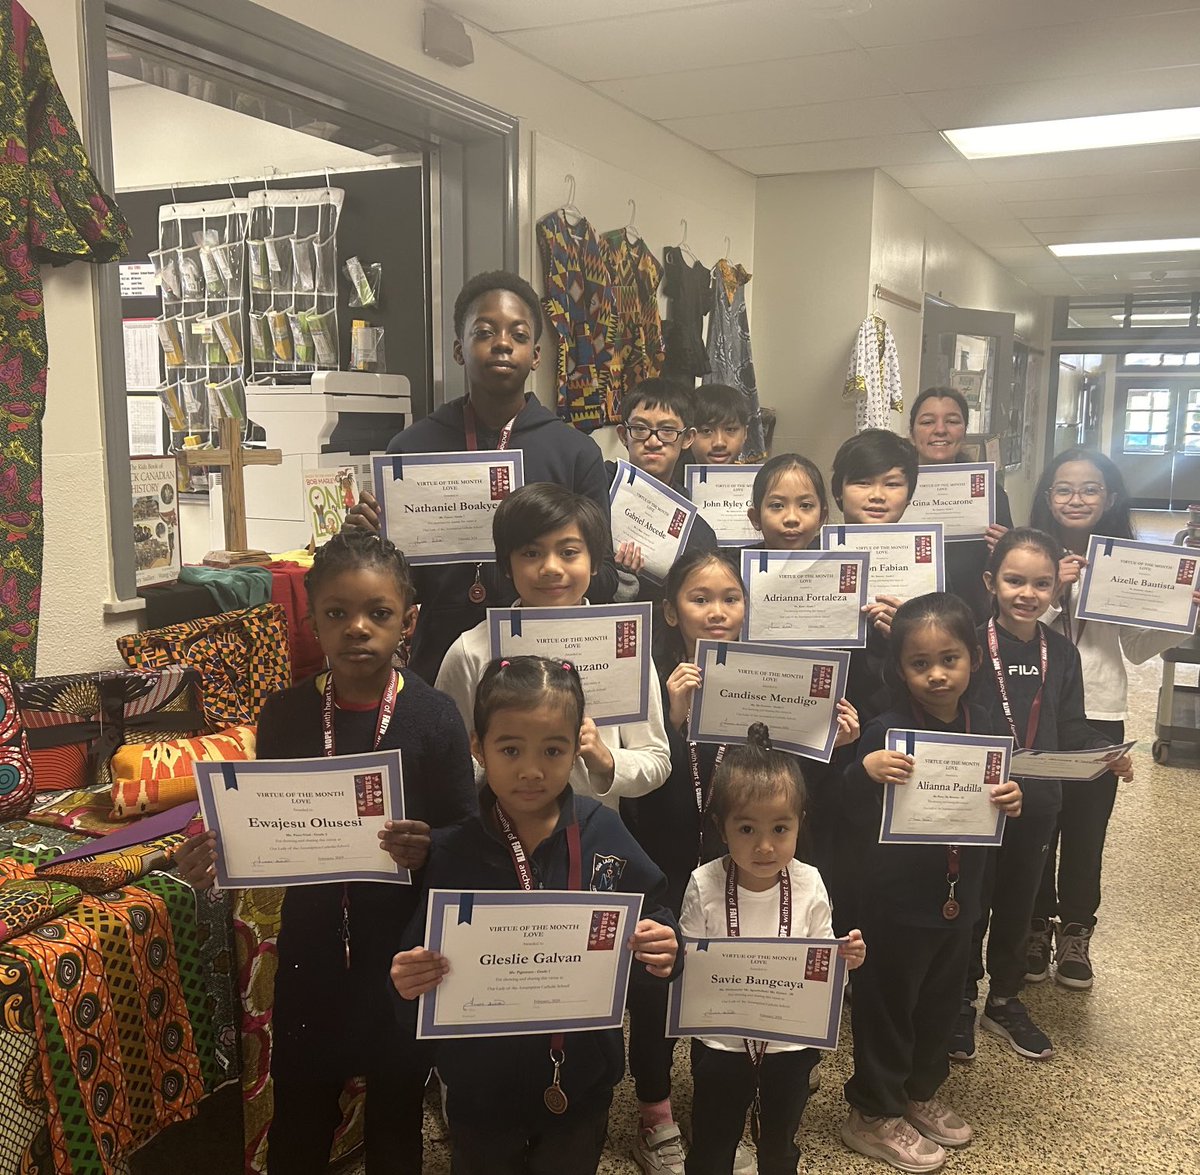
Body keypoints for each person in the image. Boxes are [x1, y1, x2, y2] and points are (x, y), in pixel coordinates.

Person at [174, 530, 477, 1175]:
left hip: (402, 954)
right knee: (302, 1115)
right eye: (336, 614)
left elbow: (467, 838)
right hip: (310, 953)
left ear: (409, 622)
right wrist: (222, 852)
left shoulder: (435, 717)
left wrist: (429, 846)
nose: (357, 629)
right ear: (311, 620)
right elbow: (273, 824)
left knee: (395, 1117)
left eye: (379, 613)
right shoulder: (283, 715)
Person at [389, 657, 681, 1175]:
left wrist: (665, 944)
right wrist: (407, 980)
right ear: (478, 747)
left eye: (552, 750)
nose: (531, 769)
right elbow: (420, 959)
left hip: (579, 1082)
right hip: (480, 1091)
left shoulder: (602, 833)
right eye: (509, 749)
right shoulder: (453, 849)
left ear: (576, 748)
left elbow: (653, 912)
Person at [622, 549, 858, 1175]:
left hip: (763, 872)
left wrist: (838, 741)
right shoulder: (655, 681)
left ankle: (760, 1089)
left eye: (731, 597)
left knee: (754, 987)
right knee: (658, 996)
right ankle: (657, 1104)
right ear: (672, 610)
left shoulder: (773, 679)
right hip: (682, 873)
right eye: (701, 599)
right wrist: (673, 725)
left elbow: (801, 796)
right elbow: (642, 804)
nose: (718, 611)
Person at [344, 270, 619, 682]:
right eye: (485, 332)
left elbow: (605, 577)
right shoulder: (410, 449)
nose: (503, 343)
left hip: (546, 666)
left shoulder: (575, 453)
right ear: (460, 349)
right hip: (440, 659)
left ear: (537, 354)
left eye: (519, 335)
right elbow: (397, 589)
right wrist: (368, 542)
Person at [839, 593, 1022, 1173]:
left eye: (950, 659)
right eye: (920, 664)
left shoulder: (986, 727)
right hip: (894, 904)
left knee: (940, 1004)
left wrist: (1011, 798)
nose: (937, 674)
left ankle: (918, 1093)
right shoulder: (885, 731)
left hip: (960, 898)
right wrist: (861, 775)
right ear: (898, 669)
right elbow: (843, 814)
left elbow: (993, 805)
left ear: (973, 659)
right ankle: (871, 1112)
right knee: (889, 1006)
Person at [952, 528, 1133, 1064]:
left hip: (1039, 803)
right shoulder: (969, 646)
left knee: (1019, 903)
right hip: (979, 800)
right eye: (1014, 581)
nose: (1027, 593)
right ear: (991, 582)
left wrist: (1107, 753)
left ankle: (1003, 999)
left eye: (1041, 584)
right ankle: (961, 1000)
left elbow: (1072, 724)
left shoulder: (1062, 652)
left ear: (1057, 590)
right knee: (971, 902)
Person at [1027, 448, 1200, 989]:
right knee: (1036, 828)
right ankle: (1034, 927)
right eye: (1063, 488)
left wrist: (1184, 614)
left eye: (1090, 489)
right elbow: (1014, 624)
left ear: (1111, 497)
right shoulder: (1030, 554)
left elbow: (1140, 646)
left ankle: (1077, 931)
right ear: (1047, 497)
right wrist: (1053, 586)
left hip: (1100, 710)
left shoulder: (1127, 562)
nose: (1076, 499)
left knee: (1085, 830)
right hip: (1034, 705)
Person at [680, 722, 866, 1175]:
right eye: (746, 828)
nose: (764, 846)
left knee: (780, 1144)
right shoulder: (704, 883)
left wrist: (846, 960)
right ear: (722, 830)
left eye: (780, 828)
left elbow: (822, 962)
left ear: (800, 824)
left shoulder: (810, 883)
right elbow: (686, 963)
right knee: (711, 1142)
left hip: (790, 1046)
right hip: (720, 1043)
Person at [436, 483, 670, 806]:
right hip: (496, 835)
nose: (551, 568)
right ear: (506, 566)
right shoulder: (471, 651)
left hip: (594, 841)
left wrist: (607, 761)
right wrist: (500, 758)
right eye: (531, 553)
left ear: (595, 562)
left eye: (569, 552)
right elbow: (447, 762)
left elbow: (656, 759)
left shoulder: (624, 645)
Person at [823, 428, 920, 937]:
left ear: (911, 492)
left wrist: (907, 633)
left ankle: (870, 956)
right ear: (838, 491)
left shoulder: (926, 566)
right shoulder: (810, 557)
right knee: (826, 845)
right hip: (822, 726)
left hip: (889, 734)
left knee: (876, 853)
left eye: (893, 483)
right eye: (862, 482)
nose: (878, 495)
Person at [608, 377, 719, 603]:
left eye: (668, 430)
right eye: (640, 428)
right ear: (623, 435)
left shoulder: (699, 535)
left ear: (687, 438)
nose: (653, 441)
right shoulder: (596, 489)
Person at [908, 386, 1014, 623]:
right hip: (907, 621)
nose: (940, 430)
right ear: (912, 433)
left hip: (973, 621)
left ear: (964, 431)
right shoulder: (893, 489)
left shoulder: (991, 495)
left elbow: (1010, 572)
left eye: (952, 421)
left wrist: (1007, 550)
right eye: (927, 422)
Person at [745, 452, 828, 552]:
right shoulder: (731, 567)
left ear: (821, 517)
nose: (791, 518)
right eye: (777, 505)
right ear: (756, 518)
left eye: (805, 505)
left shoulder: (835, 566)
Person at [689, 383, 750, 466]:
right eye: (706, 431)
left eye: (730, 429)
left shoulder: (759, 478)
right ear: (688, 436)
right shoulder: (670, 476)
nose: (719, 442)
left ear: (745, 433)